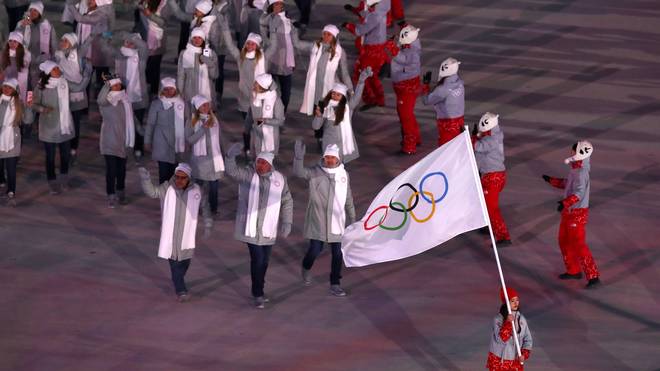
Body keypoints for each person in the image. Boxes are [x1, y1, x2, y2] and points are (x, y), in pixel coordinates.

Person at [225, 144, 293, 308]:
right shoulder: (249, 175)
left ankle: (259, 289)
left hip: (268, 229)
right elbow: (233, 171)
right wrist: (230, 158)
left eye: (263, 163)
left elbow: (287, 200)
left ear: (270, 165)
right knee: (258, 259)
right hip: (251, 229)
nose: (260, 166)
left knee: (264, 261)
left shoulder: (279, 179)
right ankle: (258, 294)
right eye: (258, 162)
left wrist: (287, 221)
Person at [293, 141, 356, 297]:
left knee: (337, 254)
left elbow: (348, 197)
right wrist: (298, 158)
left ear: (338, 159)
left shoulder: (343, 175)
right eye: (327, 157)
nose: (329, 160)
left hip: (336, 221)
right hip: (318, 220)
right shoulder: (316, 172)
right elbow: (299, 172)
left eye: (332, 158)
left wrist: (353, 217)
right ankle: (306, 267)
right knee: (315, 250)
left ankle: (335, 283)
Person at [138, 163, 202, 303]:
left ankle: (178, 279)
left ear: (188, 179)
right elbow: (152, 192)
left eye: (182, 178)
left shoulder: (195, 191)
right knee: (175, 265)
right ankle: (181, 290)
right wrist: (146, 180)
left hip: (187, 237)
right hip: (170, 237)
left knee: (185, 263)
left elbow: (202, 205)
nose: (178, 180)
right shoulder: (167, 188)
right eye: (177, 177)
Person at [542, 141, 601, 288]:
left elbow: (578, 193)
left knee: (579, 244)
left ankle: (593, 276)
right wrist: (552, 181)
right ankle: (573, 270)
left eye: (572, 151)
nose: (570, 154)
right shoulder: (576, 170)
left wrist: (565, 203)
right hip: (569, 212)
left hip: (577, 213)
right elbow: (568, 184)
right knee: (564, 240)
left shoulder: (581, 172)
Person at [30, 61, 75, 194]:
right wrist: (42, 109)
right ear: (48, 72)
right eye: (55, 69)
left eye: (57, 68)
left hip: (64, 127)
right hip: (49, 127)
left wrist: (87, 75)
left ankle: (64, 178)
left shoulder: (65, 83)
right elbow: (31, 103)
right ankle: (52, 180)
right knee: (50, 156)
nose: (58, 70)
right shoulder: (40, 87)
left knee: (65, 155)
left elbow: (79, 87)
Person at [104, 32, 149, 161]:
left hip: (137, 97)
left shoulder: (141, 56)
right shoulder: (119, 55)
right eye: (127, 42)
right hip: (122, 97)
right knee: (122, 123)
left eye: (132, 42)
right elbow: (106, 48)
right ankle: (122, 147)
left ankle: (138, 148)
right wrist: (112, 36)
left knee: (138, 124)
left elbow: (144, 47)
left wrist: (132, 37)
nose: (129, 44)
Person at [312, 67, 371, 164]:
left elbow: (356, 97)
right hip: (329, 144)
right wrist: (318, 116)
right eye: (333, 94)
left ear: (343, 97)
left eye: (338, 95)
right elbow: (315, 126)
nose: (335, 97)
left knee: (340, 168)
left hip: (343, 144)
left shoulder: (347, 107)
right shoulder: (325, 106)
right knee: (328, 166)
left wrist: (361, 82)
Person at [185, 94, 226, 227]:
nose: (207, 107)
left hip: (214, 158)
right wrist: (203, 129)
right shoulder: (192, 121)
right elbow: (190, 140)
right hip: (200, 160)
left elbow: (219, 138)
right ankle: (196, 207)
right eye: (203, 105)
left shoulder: (214, 119)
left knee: (214, 186)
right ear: (197, 108)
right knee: (198, 186)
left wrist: (223, 153)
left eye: (208, 104)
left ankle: (213, 209)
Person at [259, 0, 306, 112]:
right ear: (271, 6)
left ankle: (281, 114)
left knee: (286, 93)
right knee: (270, 90)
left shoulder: (288, 21)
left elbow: (293, 44)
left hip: (286, 62)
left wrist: (293, 60)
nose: (279, 6)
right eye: (276, 4)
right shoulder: (268, 19)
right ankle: (268, 112)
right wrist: (271, 13)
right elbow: (262, 23)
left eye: (280, 3)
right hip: (272, 61)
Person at [298, 24, 353, 117]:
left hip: (331, 89)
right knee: (317, 117)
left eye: (329, 35)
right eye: (324, 34)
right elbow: (297, 44)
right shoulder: (315, 46)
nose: (325, 37)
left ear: (334, 37)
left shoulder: (340, 52)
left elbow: (344, 73)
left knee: (329, 117)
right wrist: (292, 31)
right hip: (316, 89)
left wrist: (350, 90)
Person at [97, 77, 136, 208]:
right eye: (114, 85)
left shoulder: (126, 100)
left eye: (119, 85)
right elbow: (100, 99)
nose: (118, 87)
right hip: (109, 141)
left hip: (123, 140)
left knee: (121, 170)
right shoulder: (106, 101)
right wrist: (106, 84)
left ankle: (121, 192)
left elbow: (132, 119)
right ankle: (111, 195)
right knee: (111, 170)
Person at [473, 112, 511, 245]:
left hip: (492, 177)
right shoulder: (493, 135)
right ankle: (488, 225)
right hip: (494, 175)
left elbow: (478, 147)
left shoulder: (492, 139)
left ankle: (503, 236)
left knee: (492, 208)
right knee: (484, 202)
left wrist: (471, 138)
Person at [54, 32, 92, 165]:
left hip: (76, 96)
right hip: (62, 94)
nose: (62, 42)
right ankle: (64, 145)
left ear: (72, 43)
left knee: (74, 123)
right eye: (62, 40)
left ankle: (73, 149)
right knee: (63, 121)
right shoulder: (57, 56)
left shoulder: (78, 55)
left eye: (66, 40)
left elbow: (87, 43)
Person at [342, 0, 388, 110]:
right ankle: (379, 99)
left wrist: (348, 25)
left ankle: (371, 99)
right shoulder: (379, 12)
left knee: (362, 74)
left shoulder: (374, 16)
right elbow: (365, 14)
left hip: (372, 51)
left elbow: (360, 30)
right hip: (378, 49)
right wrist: (354, 10)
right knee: (372, 75)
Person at [144, 77, 187, 183]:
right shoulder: (156, 104)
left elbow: (187, 123)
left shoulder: (182, 104)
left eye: (171, 89)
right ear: (162, 90)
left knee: (175, 174)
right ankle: (164, 197)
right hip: (161, 143)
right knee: (163, 175)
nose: (168, 92)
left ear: (175, 89)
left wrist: (188, 140)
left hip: (177, 144)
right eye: (166, 89)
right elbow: (150, 124)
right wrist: (147, 141)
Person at [66, 0, 116, 88]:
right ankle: (87, 97)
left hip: (98, 53)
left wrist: (107, 38)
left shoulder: (100, 14)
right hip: (86, 52)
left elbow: (80, 19)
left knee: (103, 78)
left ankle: (107, 97)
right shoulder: (86, 11)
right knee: (85, 79)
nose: (89, 1)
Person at [389, 24, 422, 154]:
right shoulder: (412, 44)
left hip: (406, 87)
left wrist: (392, 47)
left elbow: (402, 59)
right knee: (407, 113)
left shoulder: (412, 52)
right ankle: (415, 138)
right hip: (405, 86)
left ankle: (410, 145)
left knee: (405, 116)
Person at [486, 287, 533, 371]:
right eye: (512, 301)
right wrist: (508, 323)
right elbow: (501, 339)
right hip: (500, 362)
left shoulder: (521, 319)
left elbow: (528, 340)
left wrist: (524, 354)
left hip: (515, 362)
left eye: (517, 300)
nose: (516, 303)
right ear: (506, 303)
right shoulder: (498, 320)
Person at [422, 57, 465, 146]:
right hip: (459, 121)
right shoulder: (460, 83)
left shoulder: (442, 89)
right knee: (456, 147)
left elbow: (426, 100)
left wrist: (425, 86)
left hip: (447, 124)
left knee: (446, 149)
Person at [0, 78, 28, 207]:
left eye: (9, 88)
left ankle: (11, 190)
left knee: (11, 167)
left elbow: (27, 120)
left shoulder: (18, 103)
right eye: (4, 86)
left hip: (12, 139)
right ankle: (1, 181)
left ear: (15, 91)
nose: (6, 89)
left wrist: (29, 107)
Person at [177, 27, 218, 108]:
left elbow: (214, 75)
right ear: (191, 39)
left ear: (203, 39)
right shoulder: (184, 53)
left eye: (199, 38)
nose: (197, 40)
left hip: (206, 91)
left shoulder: (210, 53)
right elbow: (181, 75)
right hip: (190, 90)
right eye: (194, 38)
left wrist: (208, 61)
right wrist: (180, 91)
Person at [247, 73, 284, 156]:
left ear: (262, 87)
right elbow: (250, 114)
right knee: (256, 157)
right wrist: (247, 127)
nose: (254, 85)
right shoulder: (254, 96)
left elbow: (280, 121)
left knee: (267, 161)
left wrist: (265, 121)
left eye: (256, 84)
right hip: (256, 134)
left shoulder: (276, 101)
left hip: (269, 136)